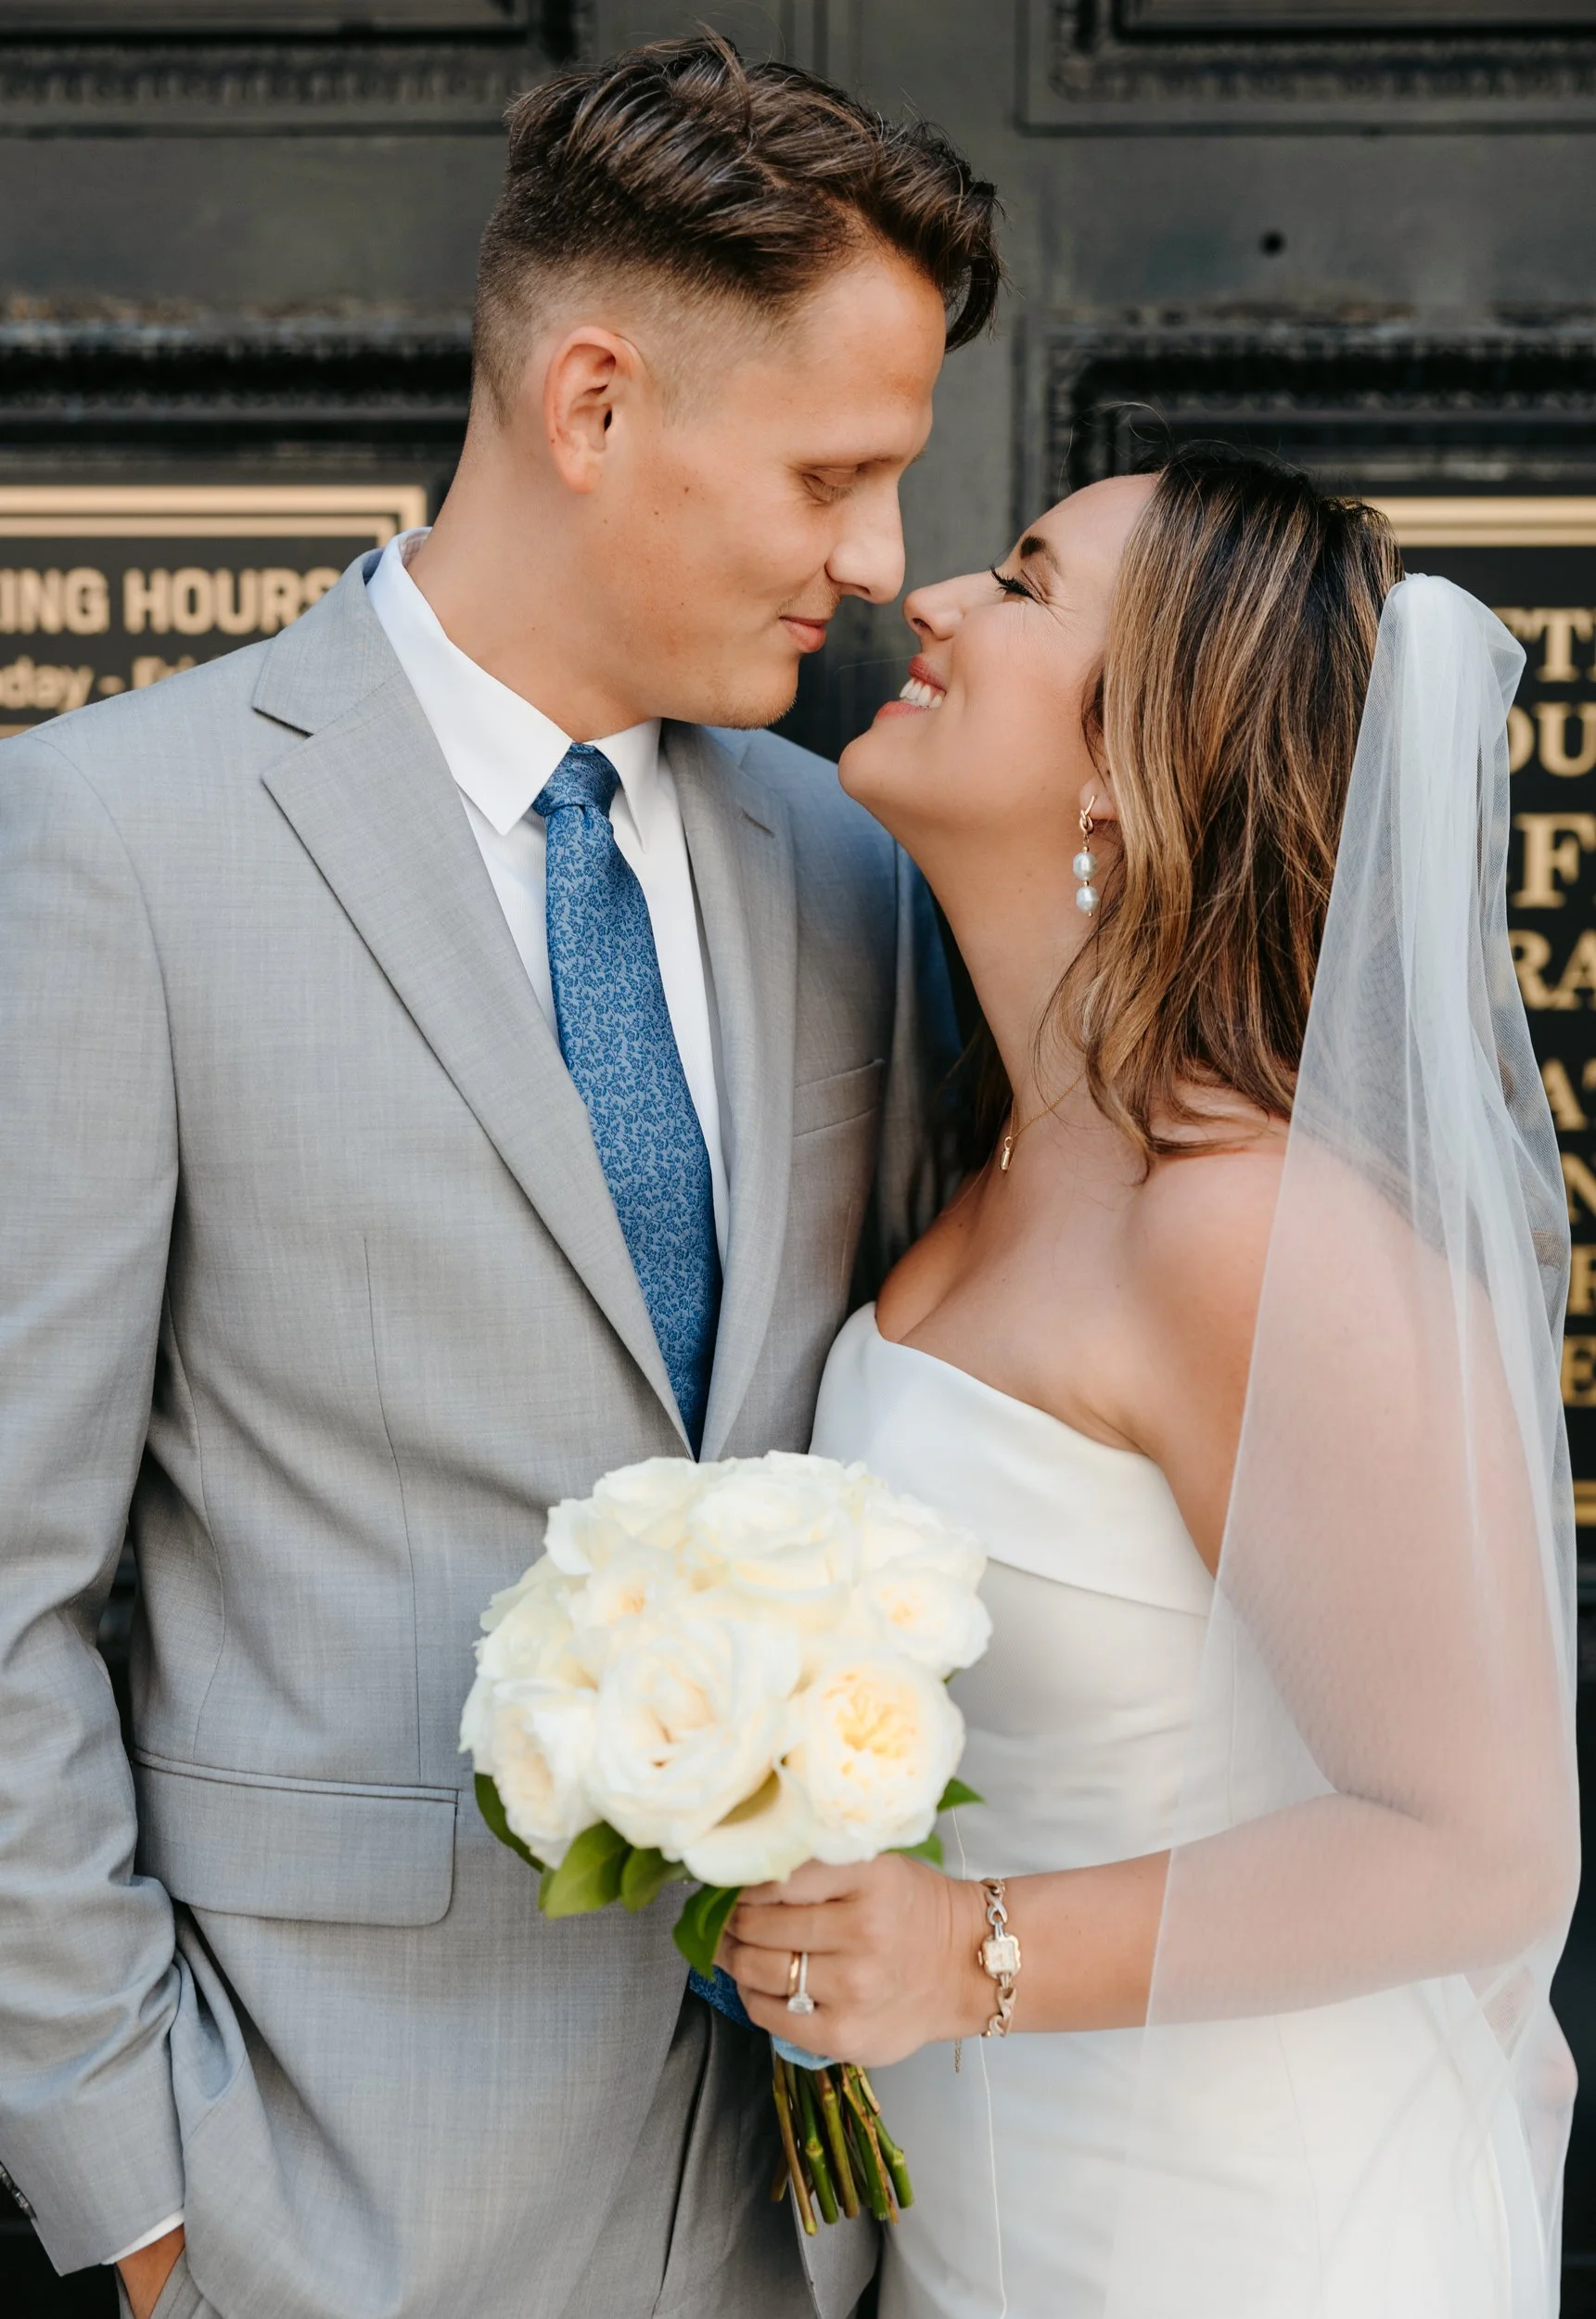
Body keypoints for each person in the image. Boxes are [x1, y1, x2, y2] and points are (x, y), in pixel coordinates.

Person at [0, 36, 998, 2319]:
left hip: (800, 2200)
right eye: (836, 472)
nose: (878, 563)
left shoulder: (846, 854)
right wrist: (141, 2200)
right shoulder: (120, 843)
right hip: (322, 2195)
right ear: (592, 404)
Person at [724, 448, 1581, 2315]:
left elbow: (1482, 1844)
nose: (929, 598)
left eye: (1023, 585)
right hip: (993, 2222)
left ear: (1135, 759)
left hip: (1238, 2237)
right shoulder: (991, 1159)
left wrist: (969, 1950)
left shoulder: (1245, 1228)